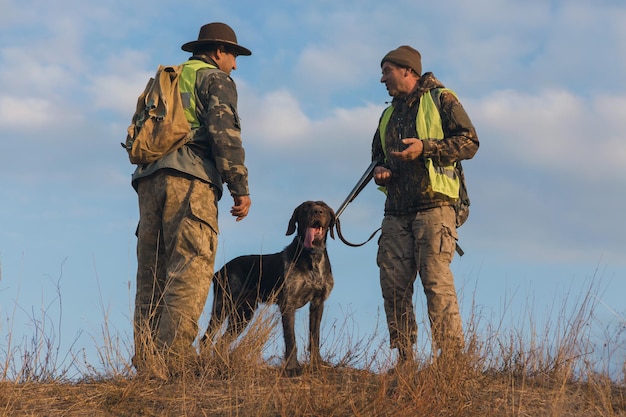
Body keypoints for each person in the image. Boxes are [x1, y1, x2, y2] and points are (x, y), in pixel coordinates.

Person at [131, 22, 252, 377]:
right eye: (233, 56)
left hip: (149, 179)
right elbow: (224, 133)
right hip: (191, 179)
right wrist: (239, 187)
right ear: (218, 52)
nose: (234, 64)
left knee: (151, 275)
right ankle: (175, 361)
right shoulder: (215, 79)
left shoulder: (165, 79)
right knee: (191, 268)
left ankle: (148, 360)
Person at [371, 46, 479, 365]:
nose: (382, 78)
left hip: (436, 207)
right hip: (396, 211)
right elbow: (377, 156)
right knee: (392, 283)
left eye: (387, 70)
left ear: (408, 71)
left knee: (435, 279)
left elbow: (470, 142)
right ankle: (405, 359)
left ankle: (451, 361)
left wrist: (426, 148)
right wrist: (381, 171)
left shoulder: (442, 98)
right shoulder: (387, 114)